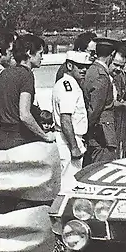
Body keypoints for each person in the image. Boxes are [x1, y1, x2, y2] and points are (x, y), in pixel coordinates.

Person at [0, 34, 54, 149]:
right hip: (20, 140)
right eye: (40, 53)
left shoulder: (3, 73)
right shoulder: (26, 75)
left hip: (2, 138)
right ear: (29, 52)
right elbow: (24, 115)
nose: (42, 58)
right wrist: (45, 136)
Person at [51, 51, 92, 191]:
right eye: (80, 66)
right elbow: (66, 119)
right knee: (68, 185)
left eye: (86, 67)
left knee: (71, 182)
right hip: (68, 140)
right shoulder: (68, 86)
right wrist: (74, 146)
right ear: (69, 66)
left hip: (71, 138)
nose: (84, 70)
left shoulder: (71, 84)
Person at [83, 38, 123, 165]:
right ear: (111, 55)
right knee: (103, 167)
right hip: (102, 134)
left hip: (97, 132)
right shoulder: (101, 76)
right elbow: (95, 109)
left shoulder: (92, 71)